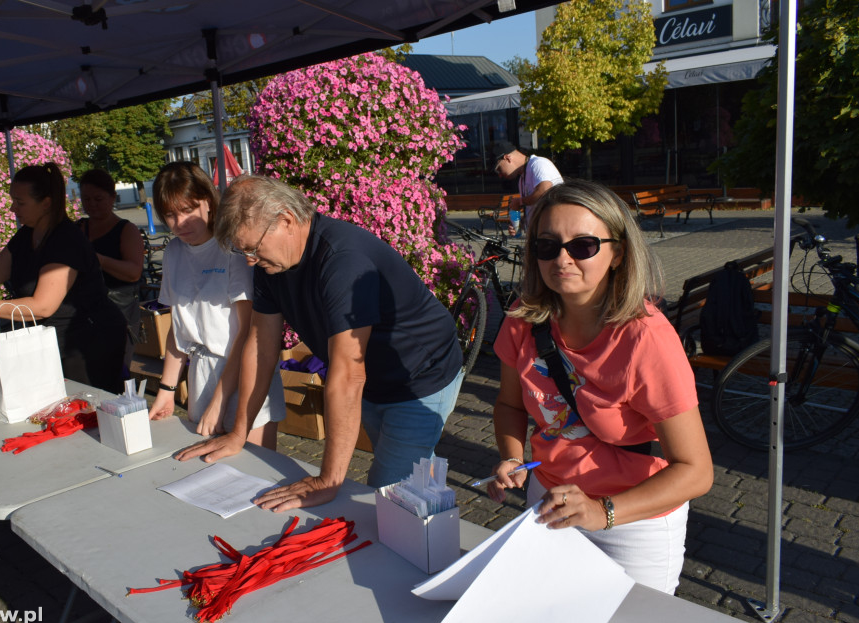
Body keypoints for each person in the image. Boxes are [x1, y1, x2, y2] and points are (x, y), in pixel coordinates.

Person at [177, 175, 464, 512]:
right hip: (375, 379)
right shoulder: (271, 265)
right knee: (410, 476)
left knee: (390, 499)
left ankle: (432, 541)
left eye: (253, 249)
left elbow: (347, 377)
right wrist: (239, 432)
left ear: (285, 220)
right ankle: (428, 510)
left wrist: (327, 480)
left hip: (419, 377)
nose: (250, 261)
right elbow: (261, 346)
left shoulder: (342, 261)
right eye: (243, 252)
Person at [486, 179, 713, 594]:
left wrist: (601, 512)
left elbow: (696, 471)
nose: (563, 258)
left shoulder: (646, 339)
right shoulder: (523, 320)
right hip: (549, 503)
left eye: (583, 245)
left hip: (631, 521)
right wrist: (511, 458)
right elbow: (510, 406)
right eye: (547, 245)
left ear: (618, 253)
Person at [146, 162, 285, 447]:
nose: (180, 223)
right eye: (170, 215)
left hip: (245, 372)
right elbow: (178, 327)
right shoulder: (173, 252)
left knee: (254, 472)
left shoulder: (232, 248)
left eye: (188, 210)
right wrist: (166, 389)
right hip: (201, 372)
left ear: (208, 201)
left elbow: (248, 332)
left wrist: (221, 400)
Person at [0, 163, 127, 393]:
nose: (12, 209)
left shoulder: (65, 239)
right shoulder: (26, 234)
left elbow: (42, 306)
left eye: (20, 202)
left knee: (85, 413)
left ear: (46, 203)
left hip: (86, 345)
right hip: (52, 339)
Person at [77, 168, 144, 374]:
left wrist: (98, 260)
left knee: (114, 374)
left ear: (113, 197)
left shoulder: (127, 229)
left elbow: (134, 272)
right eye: (86, 199)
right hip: (85, 314)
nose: (92, 204)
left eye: (98, 198)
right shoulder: (79, 227)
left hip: (119, 315)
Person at [491, 140, 563, 237]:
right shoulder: (522, 179)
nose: (500, 175)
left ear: (507, 158)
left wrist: (520, 201)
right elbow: (533, 208)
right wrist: (520, 225)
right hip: (540, 236)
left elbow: (544, 192)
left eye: (499, 169)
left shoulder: (538, 164)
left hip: (554, 233)